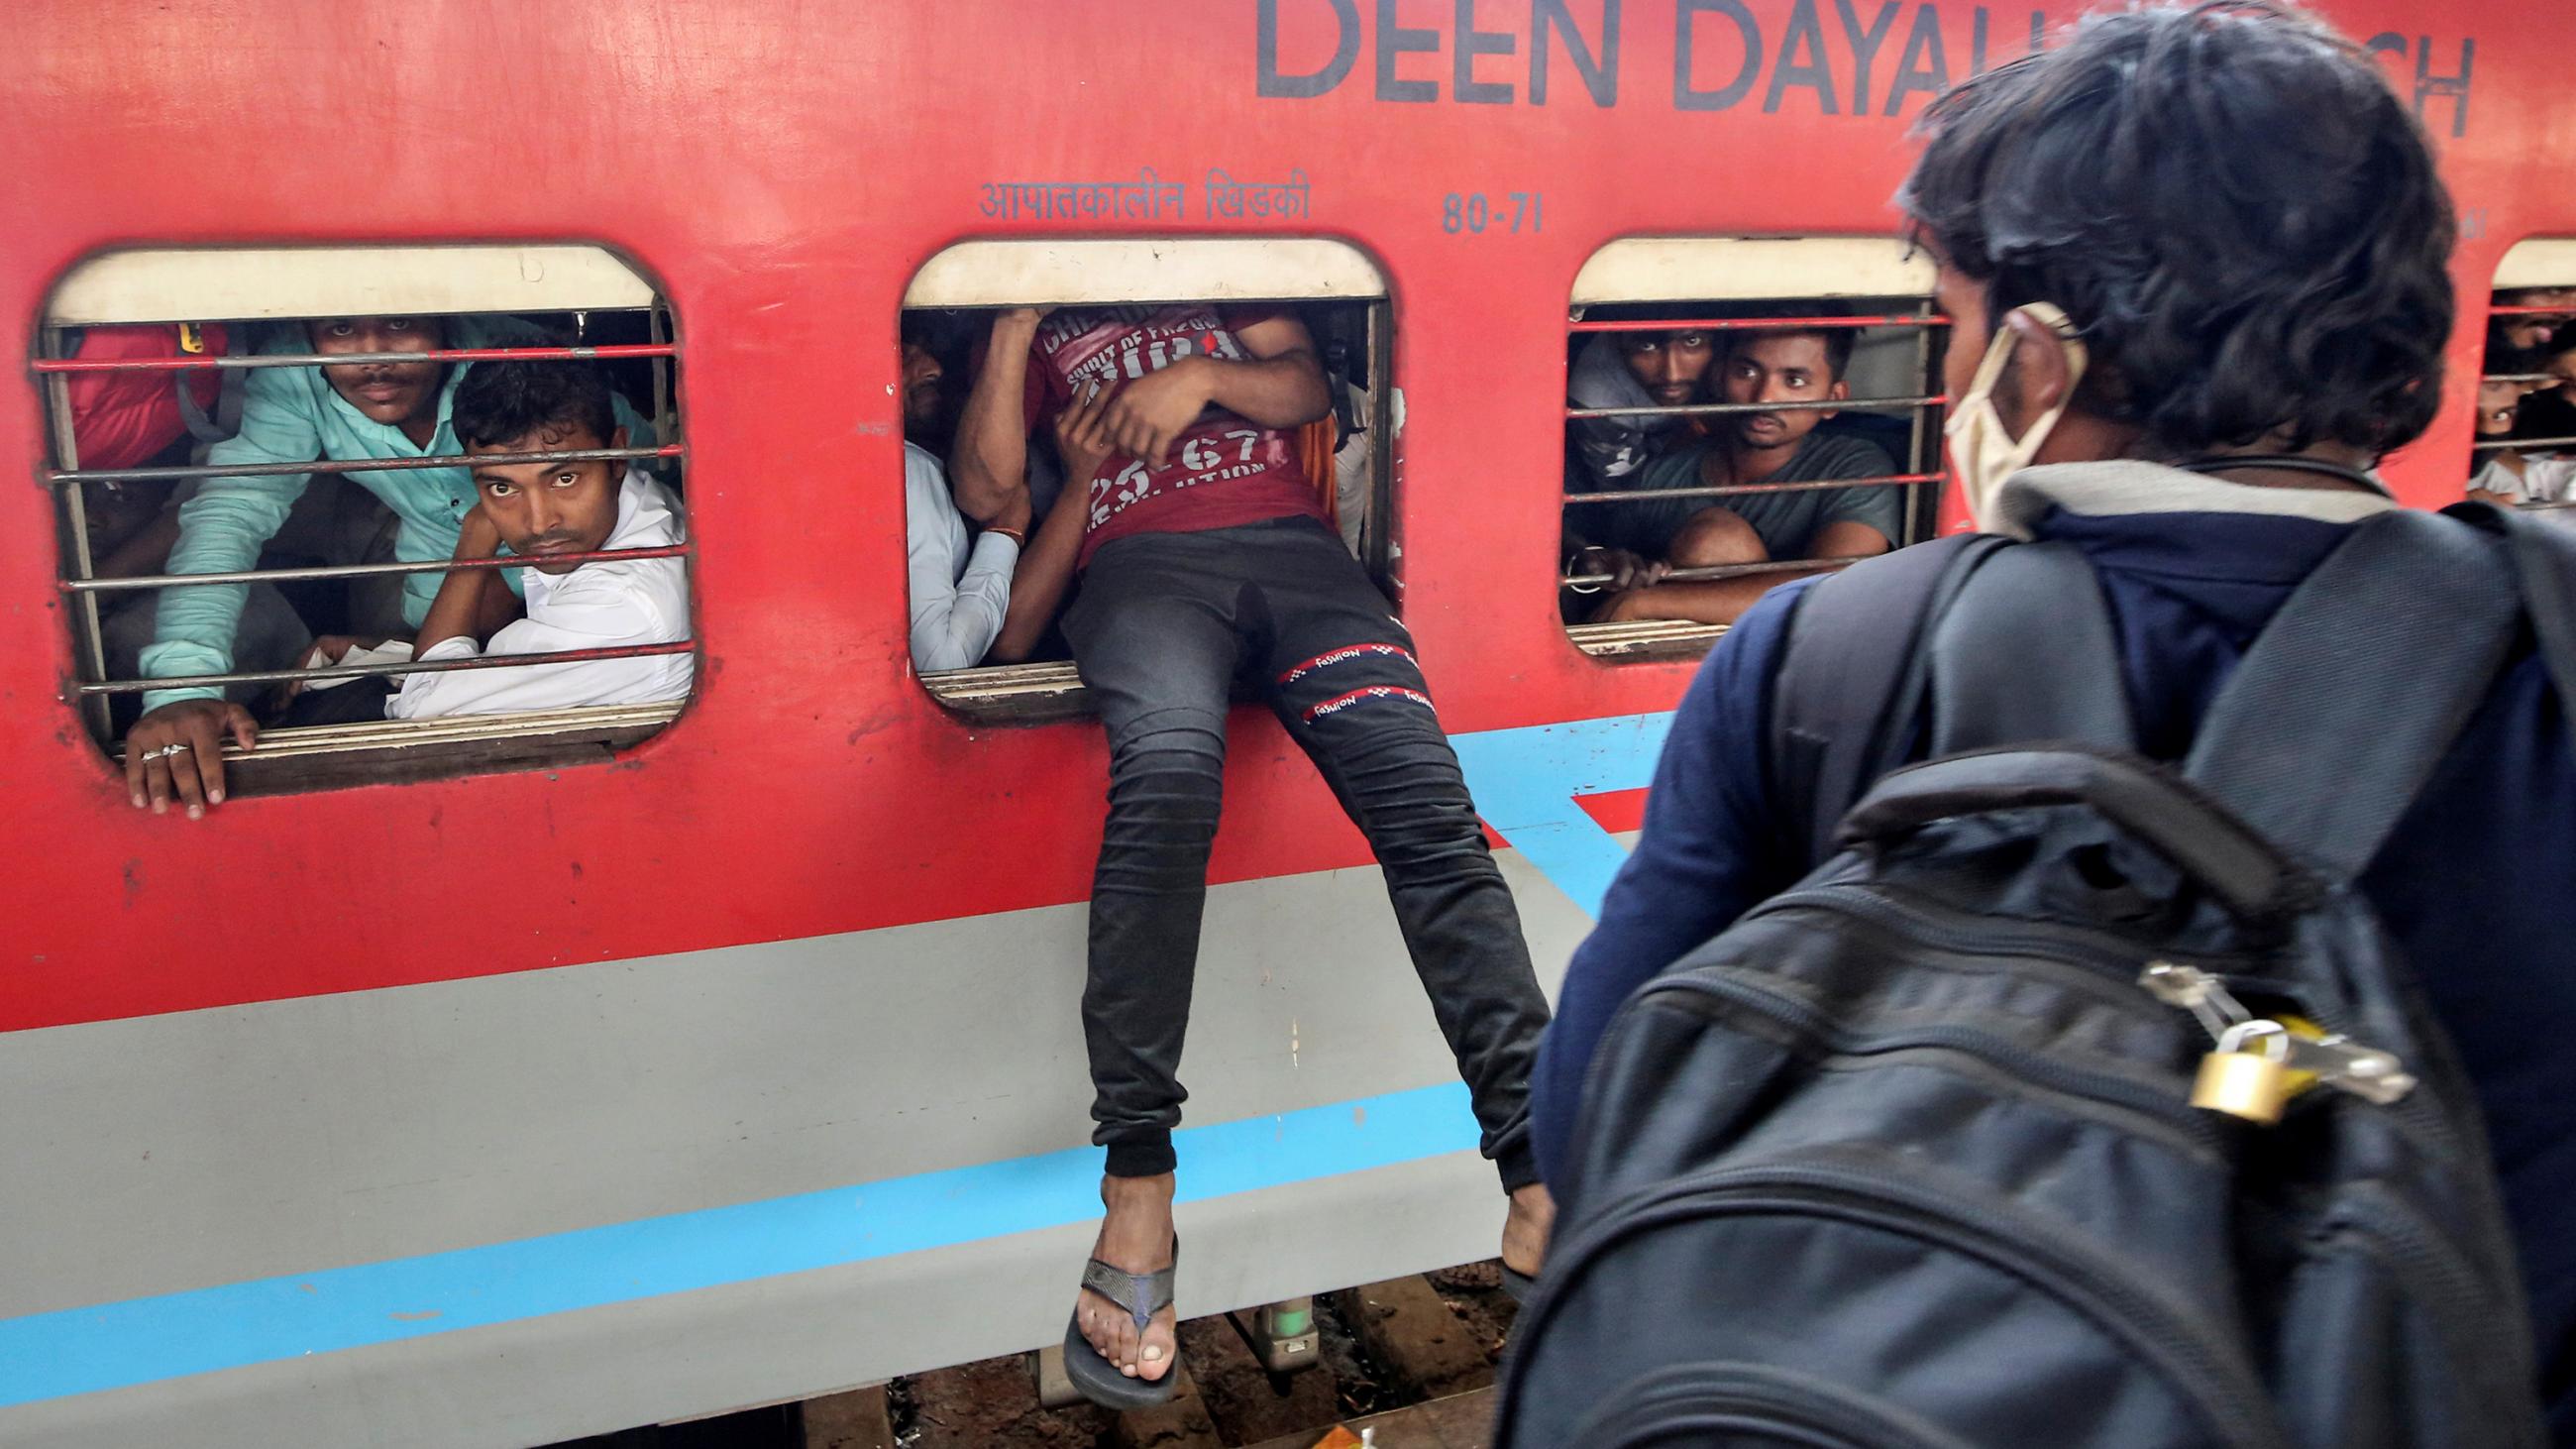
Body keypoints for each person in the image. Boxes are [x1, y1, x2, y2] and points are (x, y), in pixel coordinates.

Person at [1532, 2, 2575, 1431]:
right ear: (2400, 358)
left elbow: (1604, 1116)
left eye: (1954, 327)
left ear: (2032, 364)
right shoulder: (2553, 655)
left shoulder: (1822, 659)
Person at [948, 302, 1555, 1406]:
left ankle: (1536, 1165)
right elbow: (987, 490)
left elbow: (1307, 386)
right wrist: (1018, 308)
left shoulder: (1212, 270)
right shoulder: (1029, 323)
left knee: (1425, 803)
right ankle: (1137, 1186)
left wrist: (1198, 377)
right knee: (1169, 777)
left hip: (1298, 557)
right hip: (1139, 570)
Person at [120, 314, 648, 817]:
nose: (375, 357)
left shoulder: (517, 372)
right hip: (441, 587)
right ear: (306, 329)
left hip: (584, 584)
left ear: (442, 314)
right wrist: (183, 690)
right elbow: (229, 513)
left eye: (400, 324)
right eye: (342, 328)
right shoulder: (291, 374)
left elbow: (638, 483)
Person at [281, 361, 693, 722]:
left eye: (564, 479)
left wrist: (474, 544)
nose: (538, 522)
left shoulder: (618, 609)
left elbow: (422, 708)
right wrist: (388, 651)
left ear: (617, 455)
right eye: (502, 488)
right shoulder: (641, 501)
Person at [1578, 329, 1900, 625]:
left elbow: (1839, 587)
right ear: (1719, 378)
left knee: (1714, 541)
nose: (1764, 397)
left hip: (1796, 660)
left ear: (1833, 399)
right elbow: (1611, 564)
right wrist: (1621, 570)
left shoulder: (1852, 466)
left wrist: (1648, 602)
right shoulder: (1663, 473)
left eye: (1794, 381)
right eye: (1746, 372)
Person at [901, 313, 1090, 670]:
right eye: (904, 354)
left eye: (940, 354)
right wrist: (1003, 535)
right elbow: (943, 659)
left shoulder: (967, 457)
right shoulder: (910, 470)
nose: (934, 368)